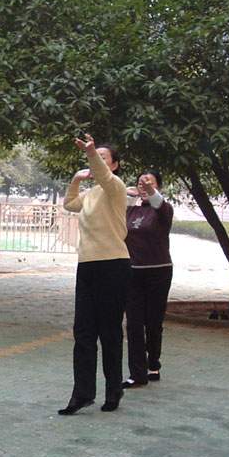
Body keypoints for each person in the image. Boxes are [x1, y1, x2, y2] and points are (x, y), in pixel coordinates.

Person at [59, 134, 131, 415]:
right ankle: (82, 394)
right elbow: (69, 204)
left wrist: (90, 153)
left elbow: (102, 175)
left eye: (103, 157)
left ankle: (113, 390)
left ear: (114, 165)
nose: (98, 161)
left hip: (113, 264)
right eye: (95, 156)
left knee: (110, 332)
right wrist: (76, 180)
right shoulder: (90, 195)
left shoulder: (116, 188)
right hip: (87, 265)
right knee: (83, 332)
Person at [123, 171, 173, 388]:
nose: (143, 186)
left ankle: (153, 364)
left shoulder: (163, 210)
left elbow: (158, 202)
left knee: (153, 322)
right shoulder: (131, 210)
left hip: (158, 272)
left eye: (149, 183)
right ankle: (137, 373)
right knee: (133, 324)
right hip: (132, 272)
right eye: (140, 183)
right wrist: (126, 193)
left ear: (158, 186)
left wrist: (149, 190)